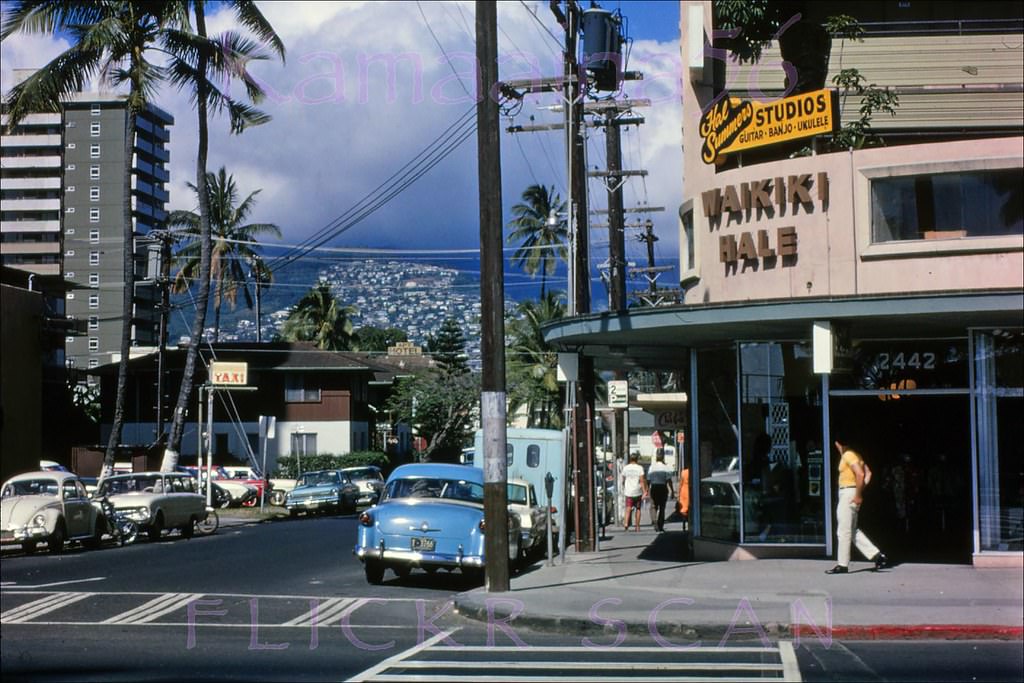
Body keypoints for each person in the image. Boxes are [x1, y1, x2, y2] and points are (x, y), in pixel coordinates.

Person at [826, 437, 889, 575]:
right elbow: (868, 473)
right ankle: (877, 555)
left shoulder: (848, 455)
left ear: (838, 443)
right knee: (853, 530)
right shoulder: (857, 455)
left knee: (844, 531)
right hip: (852, 491)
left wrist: (857, 494)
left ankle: (842, 564)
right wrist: (859, 490)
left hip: (847, 492)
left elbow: (860, 474)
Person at [646, 450, 675, 532]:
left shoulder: (652, 467)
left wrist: (647, 489)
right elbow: (669, 480)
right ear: (663, 458)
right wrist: (672, 491)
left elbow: (648, 480)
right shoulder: (666, 467)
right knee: (662, 507)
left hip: (654, 487)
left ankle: (654, 521)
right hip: (663, 487)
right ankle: (660, 524)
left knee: (653, 506)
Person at [621, 452, 647, 532]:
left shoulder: (626, 468)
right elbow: (642, 480)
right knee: (638, 508)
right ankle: (637, 526)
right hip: (637, 491)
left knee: (628, 508)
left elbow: (623, 479)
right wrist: (644, 491)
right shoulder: (640, 468)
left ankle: (626, 524)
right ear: (637, 459)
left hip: (628, 491)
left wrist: (624, 485)